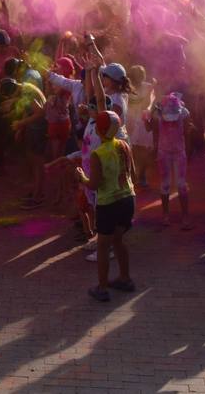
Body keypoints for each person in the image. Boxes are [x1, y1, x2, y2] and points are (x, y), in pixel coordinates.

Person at [78, 110, 136, 302]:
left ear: (99, 130)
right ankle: (125, 278)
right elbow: (132, 174)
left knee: (103, 246)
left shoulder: (98, 153)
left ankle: (102, 288)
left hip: (108, 203)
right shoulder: (124, 146)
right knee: (118, 240)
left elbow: (93, 184)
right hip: (127, 199)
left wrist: (81, 177)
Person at [151, 92, 191, 229]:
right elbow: (154, 132)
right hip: (164, 152)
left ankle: (185, 216)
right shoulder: (157, 114)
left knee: (181, 184)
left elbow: (186, 132)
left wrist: (188, 150)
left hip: (179, 152)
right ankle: (165, 215)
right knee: (165, 184)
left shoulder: (184, 113)